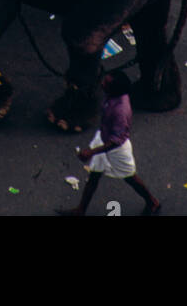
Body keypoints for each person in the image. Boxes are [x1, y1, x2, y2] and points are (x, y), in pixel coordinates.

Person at [60, 70, 161, 216]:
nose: (102, 84)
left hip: (116, 149)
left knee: (129, 177)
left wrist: (91, 152)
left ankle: (152, 202)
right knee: (94, 175)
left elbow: (116, 141)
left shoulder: (121, 110)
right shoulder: (112, 96)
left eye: (106, 83)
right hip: (103, 138)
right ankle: (81, 210)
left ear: (115, 89)